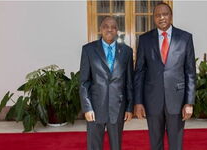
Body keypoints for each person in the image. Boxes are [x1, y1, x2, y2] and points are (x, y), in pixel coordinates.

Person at [134, 2, 196, 150]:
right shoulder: (144, 39)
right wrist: (138, 102)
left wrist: (189, 102)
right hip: (152, 100)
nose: (161, 17)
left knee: (176, 144)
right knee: (155, 144)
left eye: (165, 14)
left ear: (171, 16)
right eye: (157, 15)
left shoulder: (185, 38)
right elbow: (139, 72)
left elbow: (190, 72)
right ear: (153, 18)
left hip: (177, 100)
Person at [79, 16, 133, 150]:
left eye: (113, 27)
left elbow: (129, 82)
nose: (110, 29)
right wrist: (87, 108)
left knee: (116, 145)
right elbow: (84, 82)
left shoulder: (126, 51)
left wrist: (129, 107)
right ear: (100, 29)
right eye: (106, 26)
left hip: (118, 107)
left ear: (117, 30)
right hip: (95, 107)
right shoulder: (88, 50)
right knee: (94, 145)